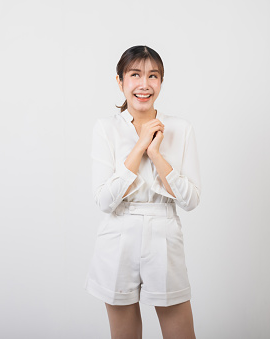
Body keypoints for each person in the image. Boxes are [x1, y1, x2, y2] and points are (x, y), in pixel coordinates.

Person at [84, 45, 201, 339]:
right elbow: (104, 200)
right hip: (118, 235)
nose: (144, 84)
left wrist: (156, 155)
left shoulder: (180, 128)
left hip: (164, 233)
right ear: (120, 81)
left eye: (153, 76)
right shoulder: (105, 129)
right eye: (135, 74)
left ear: (161, 82)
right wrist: (139, 148)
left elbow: (191, 200)